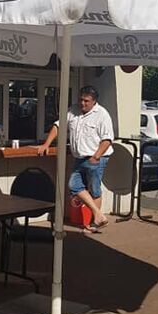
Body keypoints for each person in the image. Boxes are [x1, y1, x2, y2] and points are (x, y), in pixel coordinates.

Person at [38, 85, 114, 232]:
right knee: (74, 185)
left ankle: (94, 224)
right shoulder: (73, 110)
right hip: (80, 158)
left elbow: (107, 139)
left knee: (94, 189)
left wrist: (96, 156)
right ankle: (98, 215)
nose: (82, 103)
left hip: (96, 157)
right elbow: (58, 126)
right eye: (81, 100)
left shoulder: (102, 114)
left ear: (94, 101)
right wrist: (46, 144)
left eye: (86, 101)